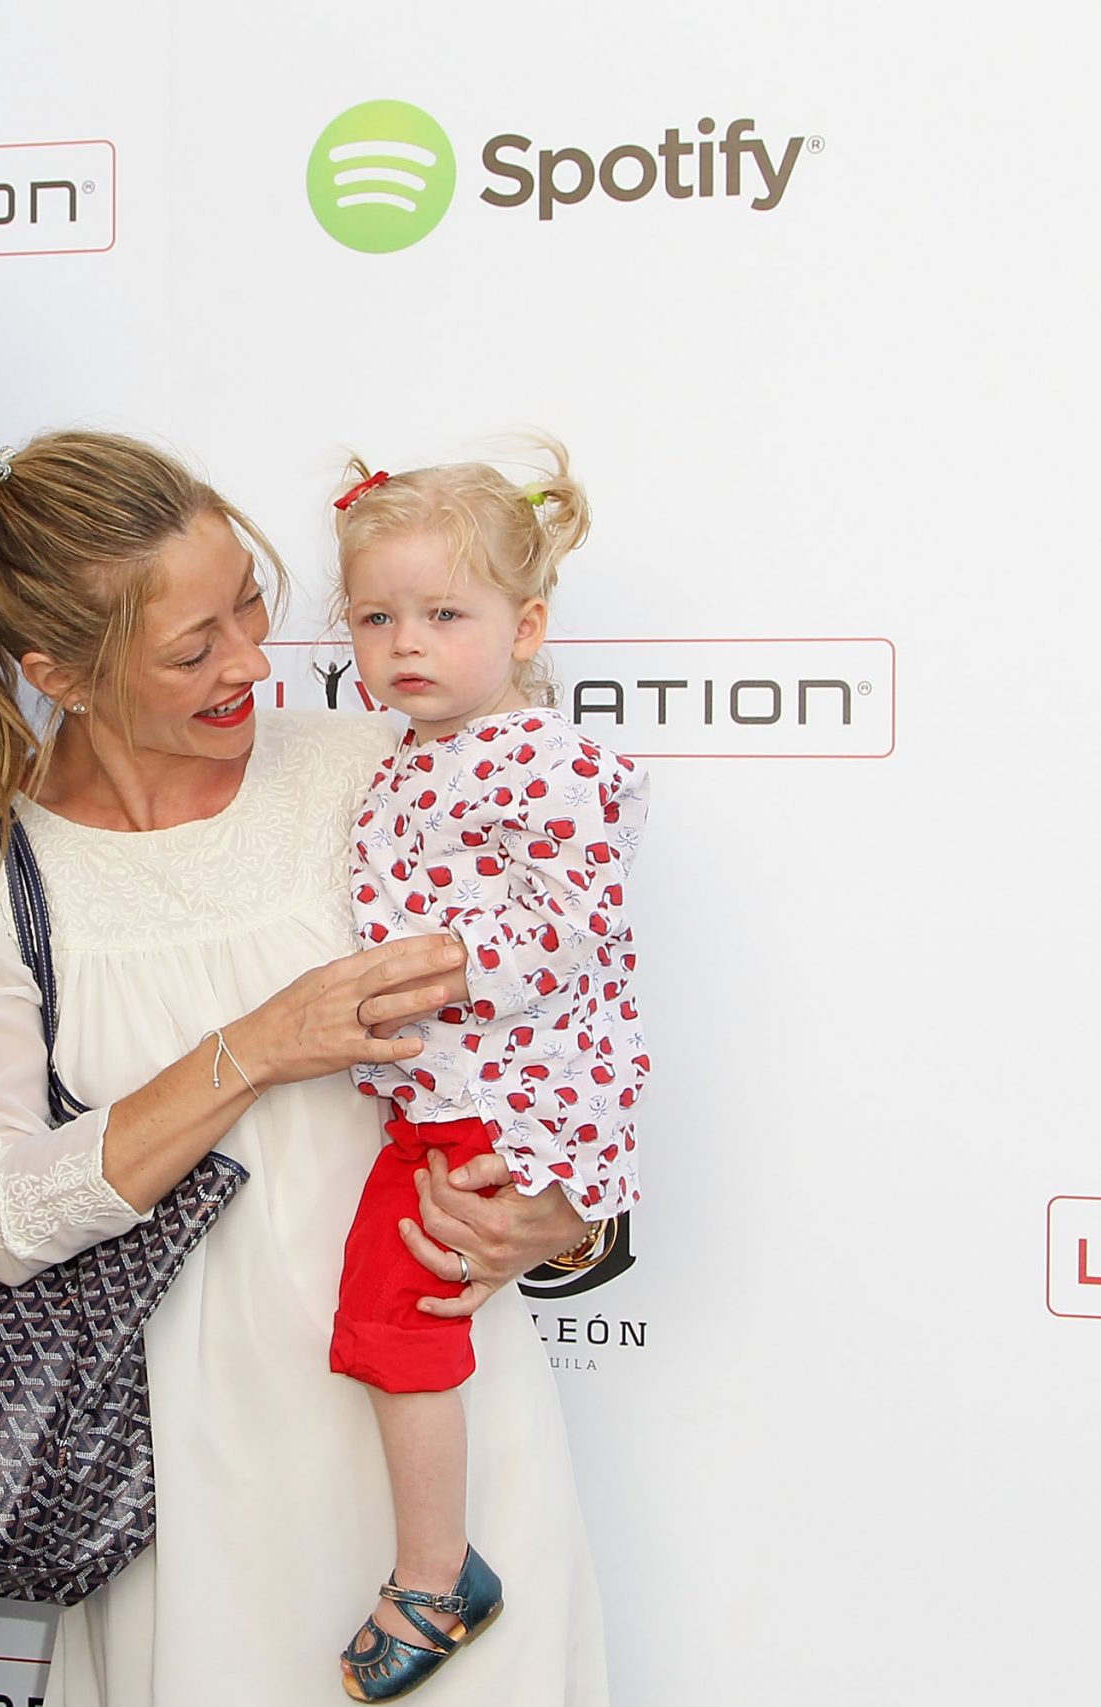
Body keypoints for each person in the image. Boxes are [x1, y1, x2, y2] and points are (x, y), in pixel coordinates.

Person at [0, 424, 611, 1706]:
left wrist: (564, 1216)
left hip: (441, 1454)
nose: (253, 664)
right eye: (192, 648)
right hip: (192, 1476)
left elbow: (555, 1023)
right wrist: (254, 1050)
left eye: (250, 606)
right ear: (64, 672)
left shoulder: (373, 767)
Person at [324, 447, 647, 1700]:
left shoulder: (541, 758)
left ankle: (433, 1574)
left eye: (443, 615)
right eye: (375, 616)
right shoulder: (404, 753)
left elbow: (577, 920)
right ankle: (432, 1562)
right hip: (440, 1102)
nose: (406, 643)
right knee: (383, 1330)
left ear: (526, 629)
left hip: (507, 1111)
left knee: (393, 1329)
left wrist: (446, 963)